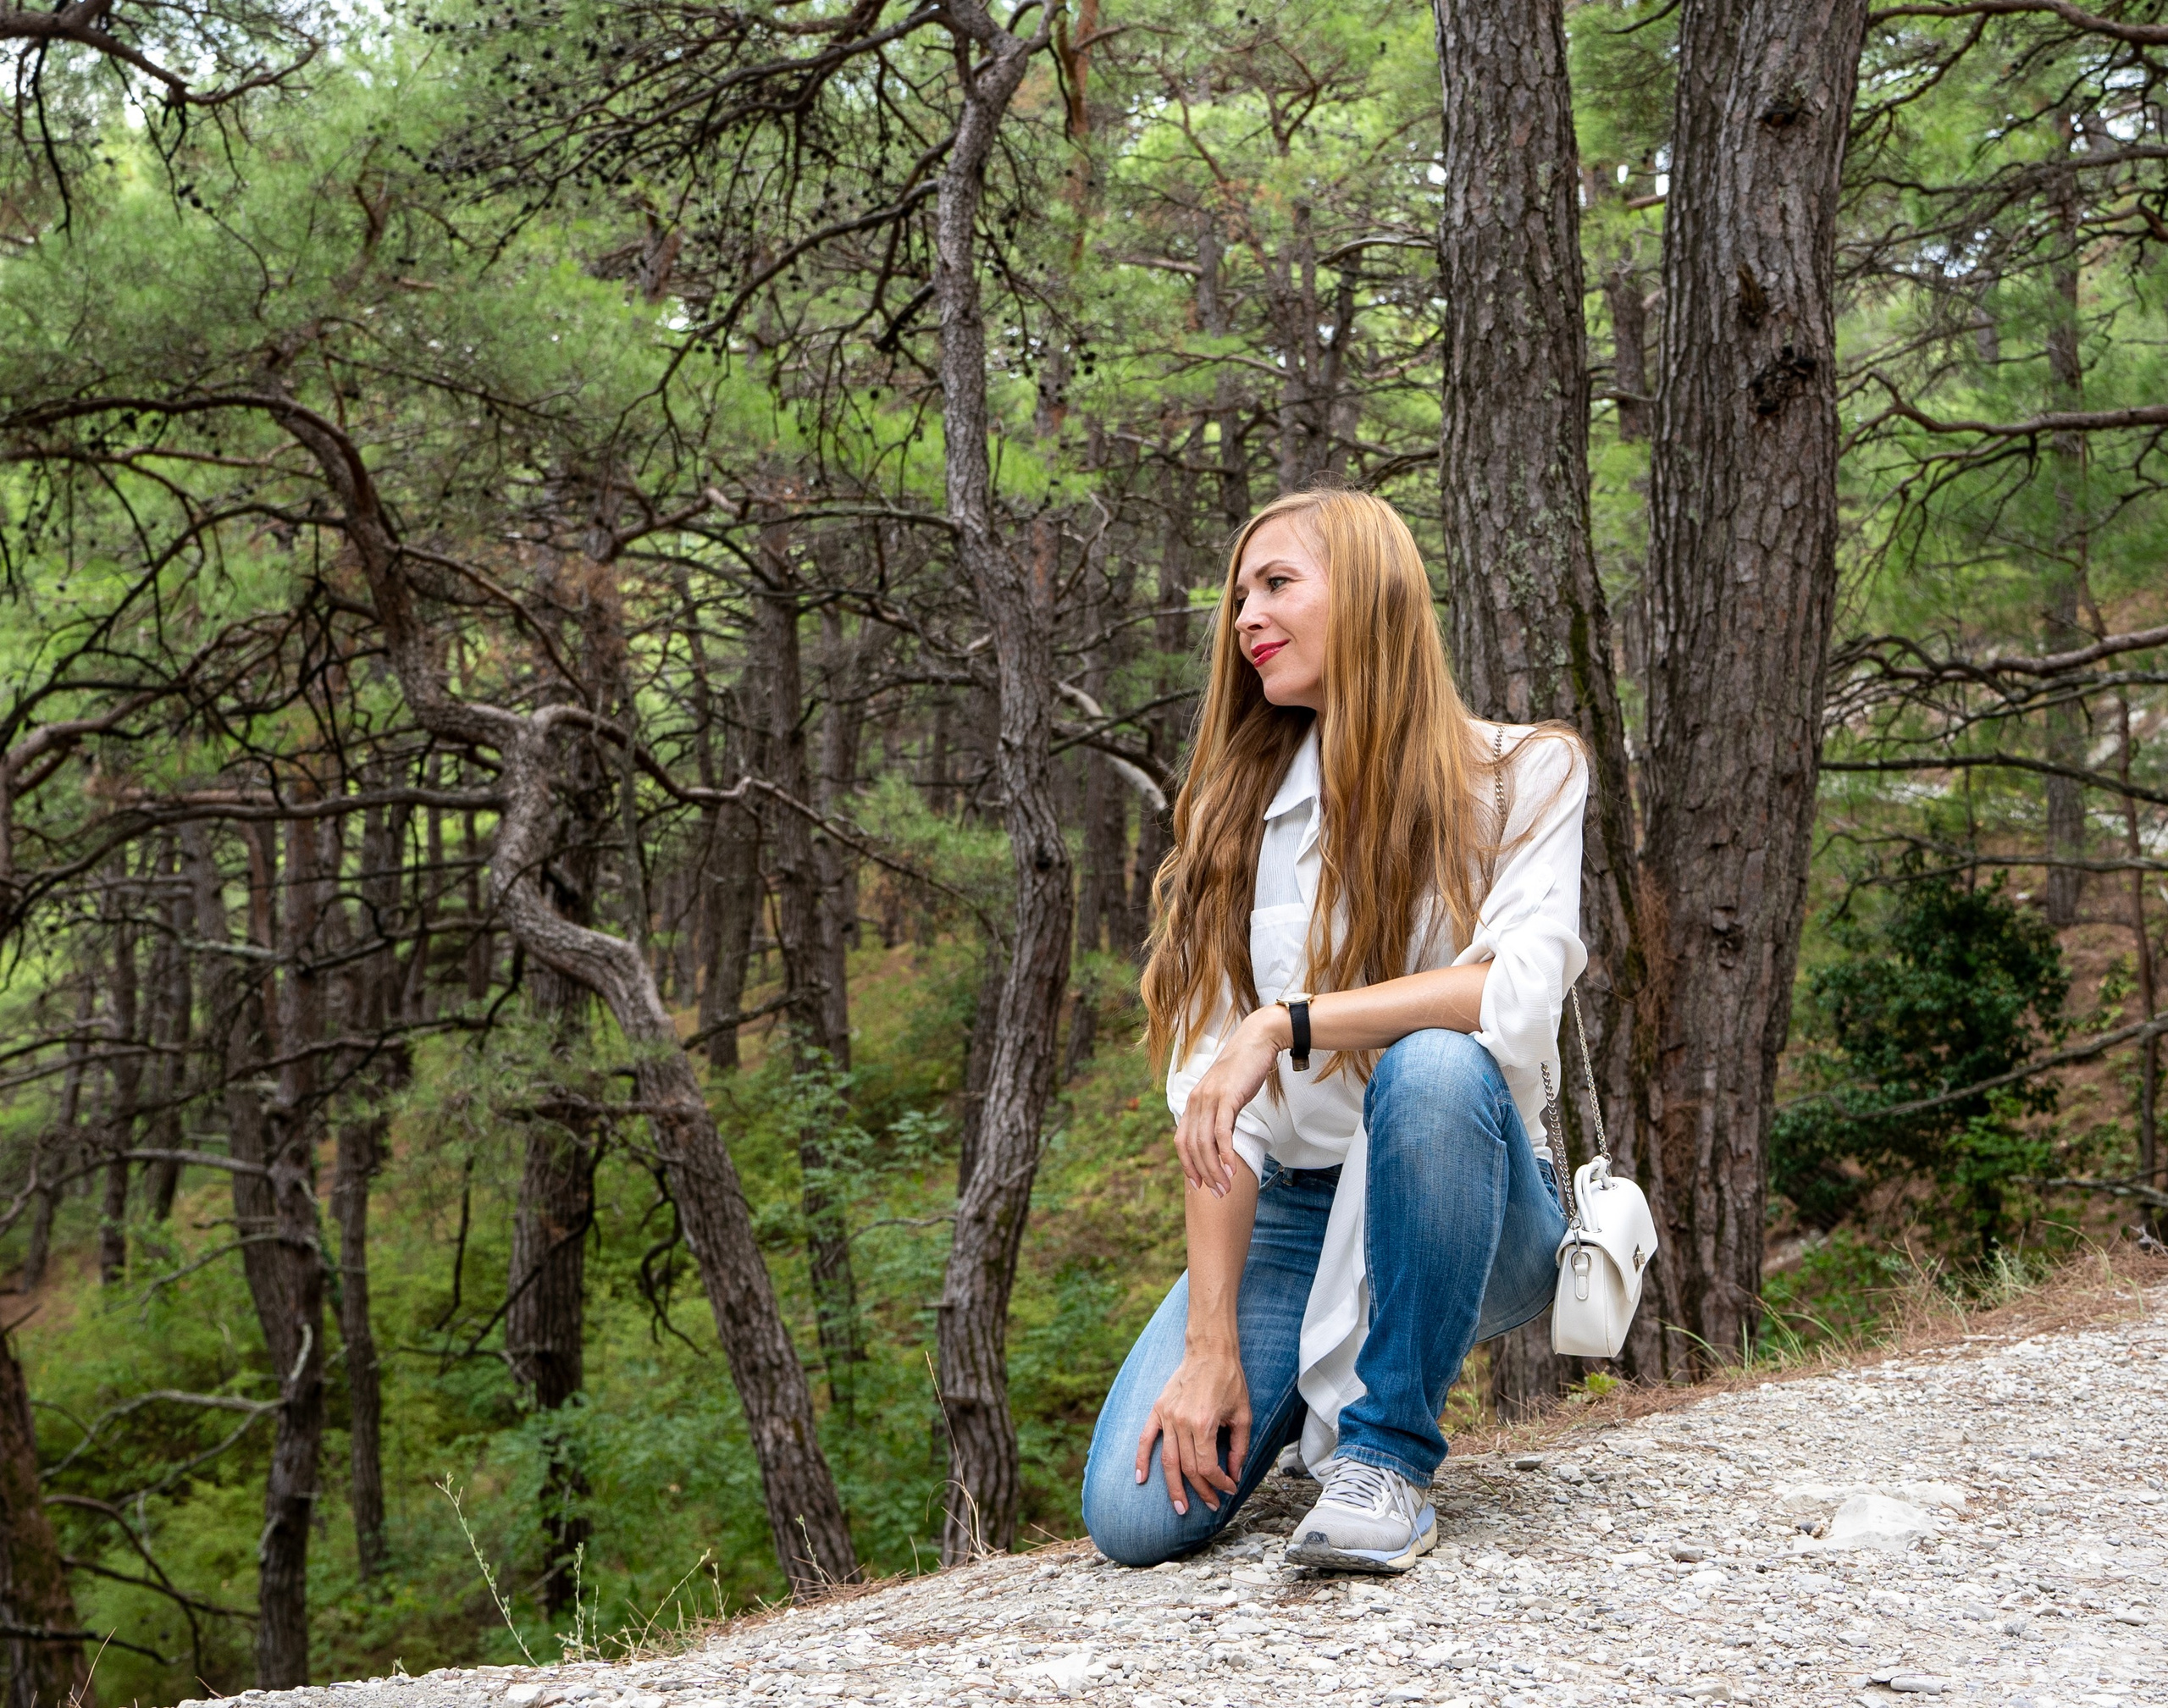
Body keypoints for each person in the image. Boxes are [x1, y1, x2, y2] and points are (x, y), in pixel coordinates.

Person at [1080, 488, 1589, 1574]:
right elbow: (1220, 1113)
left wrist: (1288, 1021)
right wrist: (1212, 1344)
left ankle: (1388, 1457)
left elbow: (1507, 997)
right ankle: (1298, 1382)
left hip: (1469, 1191)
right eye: (1236, 597)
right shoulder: (1241, 806)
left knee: (1437, 1065)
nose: (1244, 619)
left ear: (1364, 596)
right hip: (1295, 1209)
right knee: (1132, 1521)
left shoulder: (1525, 772)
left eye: (1275, 586)